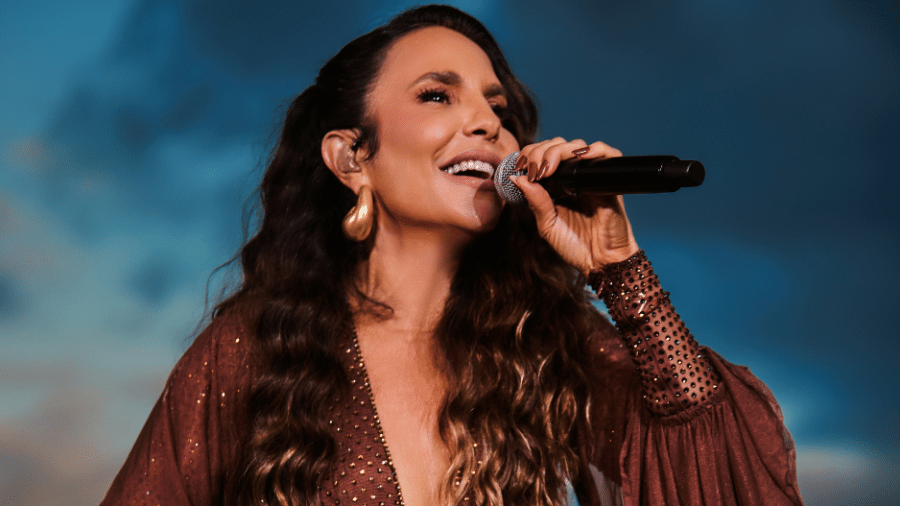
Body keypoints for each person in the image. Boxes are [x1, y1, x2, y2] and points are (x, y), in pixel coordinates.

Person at [101, 5, 803, 506]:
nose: (487, 123)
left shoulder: (550, 345)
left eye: (500, 110)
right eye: (438, 95)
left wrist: (620, 271)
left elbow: (723, 468)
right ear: (351, 157)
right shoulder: (253, 351)